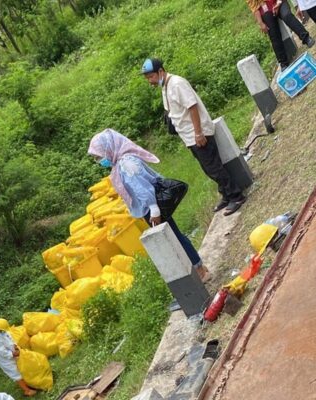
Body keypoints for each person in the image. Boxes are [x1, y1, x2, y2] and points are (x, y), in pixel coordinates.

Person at [88, 128, 210, 282]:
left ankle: (200, 271)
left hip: (152, 209)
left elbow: (143, 189)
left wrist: (154, 210)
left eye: (99, 156)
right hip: (150, 208)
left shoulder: (127, 164)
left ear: (109, 148)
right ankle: (198, 269)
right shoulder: (121, 163)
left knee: (174, 238)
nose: (99, 161)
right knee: (173, 236)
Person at [141, 58, 246, 216]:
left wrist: (198, 133)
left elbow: (192, 107)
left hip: (197, 133)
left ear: (161, 72)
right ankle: (225, 195)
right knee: (208, 168)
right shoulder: (166, 86)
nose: (150, 81)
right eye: (148, 78)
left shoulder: (176, 84)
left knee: (214, 168)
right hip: (188, 136)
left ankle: (236, 196)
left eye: (151, 77)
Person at [246, 0, 314, 70]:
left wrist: (278, 3)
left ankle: (306, 38)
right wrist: (261, 23)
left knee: (287, 16)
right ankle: (283, 62)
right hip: (265, 8)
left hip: (280, 2)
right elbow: (254, 7)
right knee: (273, 31)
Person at [0, 318, 37, 397]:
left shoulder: (3, 332)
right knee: (16, 374)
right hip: (6, 361)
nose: (4, 331)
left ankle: (29, 382)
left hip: (14, 354)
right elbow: (3, 353)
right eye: (2, 330)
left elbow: (10, 339)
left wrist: (15, 346)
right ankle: (27, 391)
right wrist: (13, 354)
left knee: (21, 369)